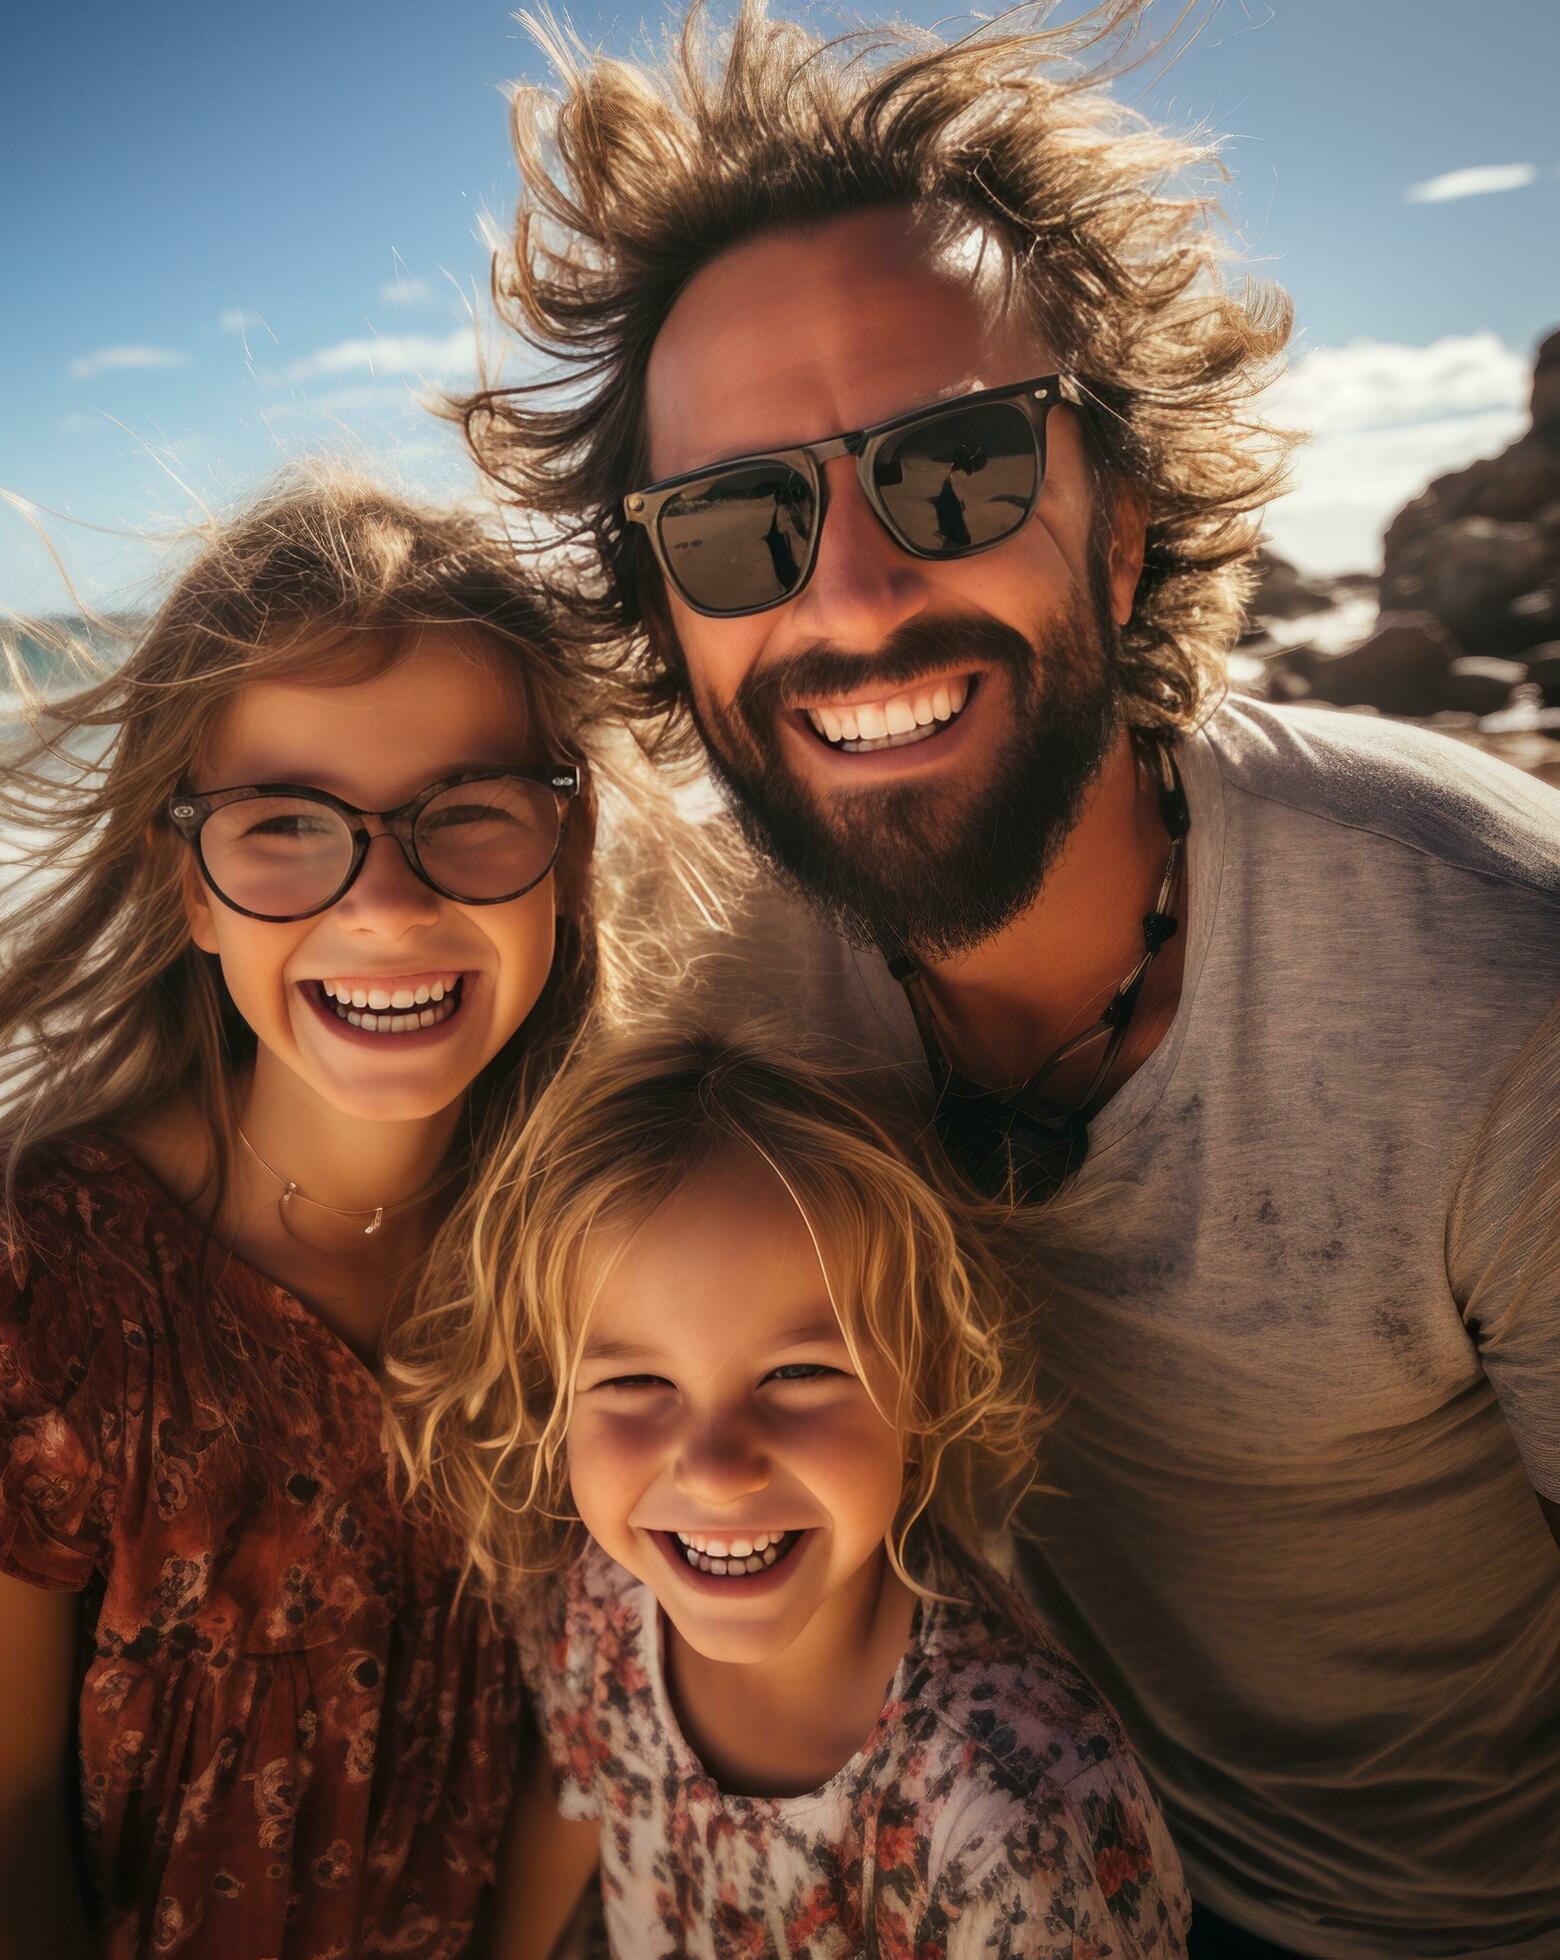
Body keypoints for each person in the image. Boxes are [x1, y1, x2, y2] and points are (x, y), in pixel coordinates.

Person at [446, 4, 1560, 1955]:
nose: (852, 591)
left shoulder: (1492, 988)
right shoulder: (698, 981)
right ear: (665, 613)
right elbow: (348, 1100)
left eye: (953, 468)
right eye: (733, 523)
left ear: (1120, 525)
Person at [0, 472, 684, 1956]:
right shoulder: (21, 1304)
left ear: (566, 859)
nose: (385, 902)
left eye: (470, 813)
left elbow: (594, 1728)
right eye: (285, 828)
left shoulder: (619, 1251)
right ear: (185, 885)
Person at [391, 1025, 1190, 1958]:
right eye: (635, 1384)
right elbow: (574, 1793)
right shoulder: (599, 1608)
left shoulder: (1019, 1812)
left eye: (799, 1373)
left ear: (928, 1379)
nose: (719, 1469)